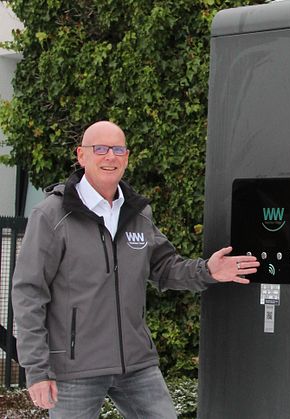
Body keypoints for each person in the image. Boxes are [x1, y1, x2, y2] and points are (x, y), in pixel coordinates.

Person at [12, 121, 260, 418]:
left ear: (127, 157)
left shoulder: (138, 213)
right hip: (74, 368)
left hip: (136, 364)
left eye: (118, 149)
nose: (110, 157)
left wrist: (208, 270)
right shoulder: (52, 215)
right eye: (100, 149)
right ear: (81, 155)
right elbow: (29, 291)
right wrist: (37, 369)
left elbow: (165, 268)